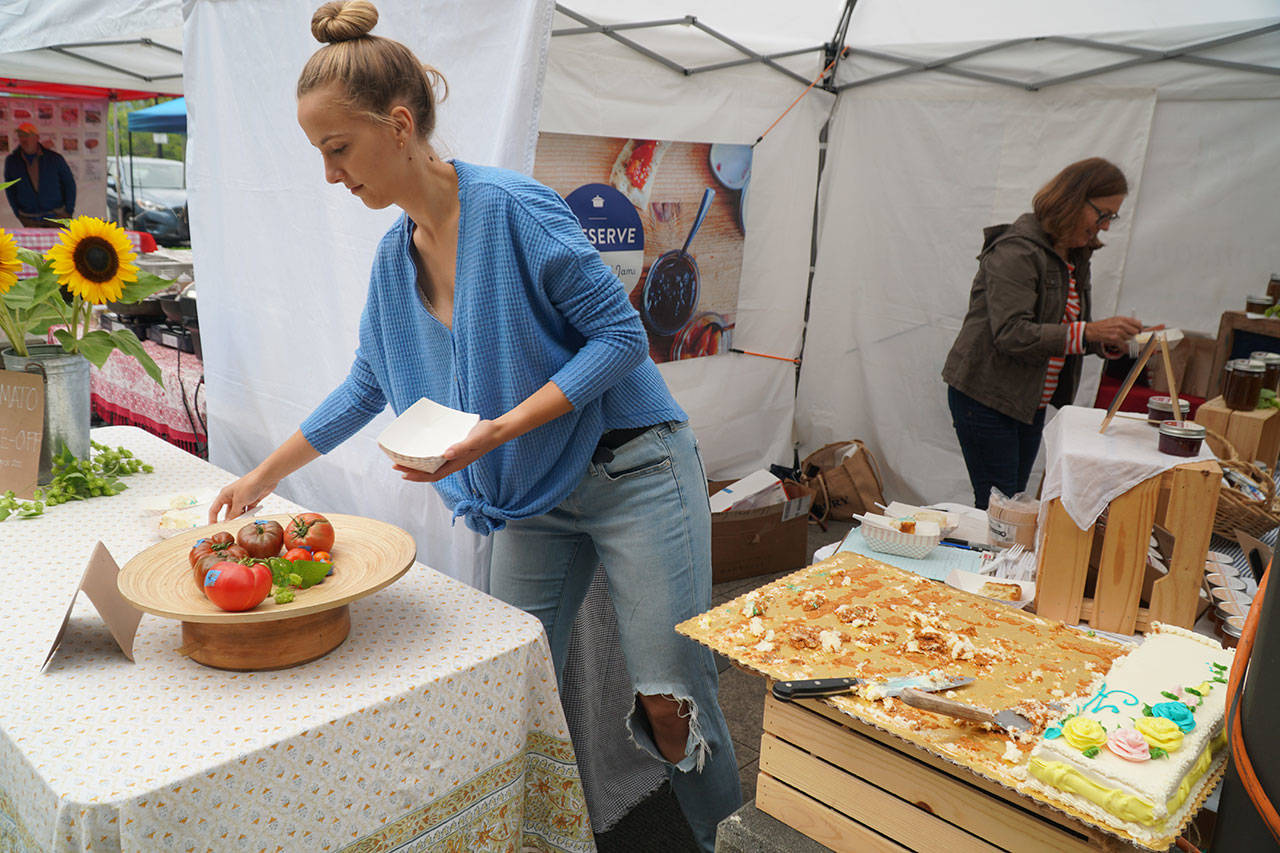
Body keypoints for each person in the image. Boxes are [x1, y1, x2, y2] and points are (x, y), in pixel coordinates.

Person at [207, 2, 741, 848]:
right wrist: (261, 477)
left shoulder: (515, 211)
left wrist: (497, 431)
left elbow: (621, 338)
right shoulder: (396, 257)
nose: (330, 174)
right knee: (504, 684)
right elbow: (367, 384)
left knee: (670, 701)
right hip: (533, 495)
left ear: (399, 124)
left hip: (635, 468)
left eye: (337, 148)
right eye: (319, 154)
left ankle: (728, 839)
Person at [941, 157, 1142, 509]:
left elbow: (1067, 328)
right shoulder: (1017, 250)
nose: (1106, 227)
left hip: (1025, 402)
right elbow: (1012, 333)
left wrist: (1111, 340)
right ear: (1074, 199)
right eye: (1103, 214)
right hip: (987, 397)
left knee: (1012, 506)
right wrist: (1090, 331)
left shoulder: (1074, 255)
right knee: (1001, 509)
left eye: (1112, 217)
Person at [4, 122, 76, 227]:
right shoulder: (12, 161)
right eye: (21, 136)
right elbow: (10, 189)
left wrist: (68, 211)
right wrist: (18, 212)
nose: (24, 139)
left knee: (60, 239)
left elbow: (69, 185)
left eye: (27, 135)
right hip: (29, 218)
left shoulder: (54, 159)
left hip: (56, 216)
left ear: (37, 137)